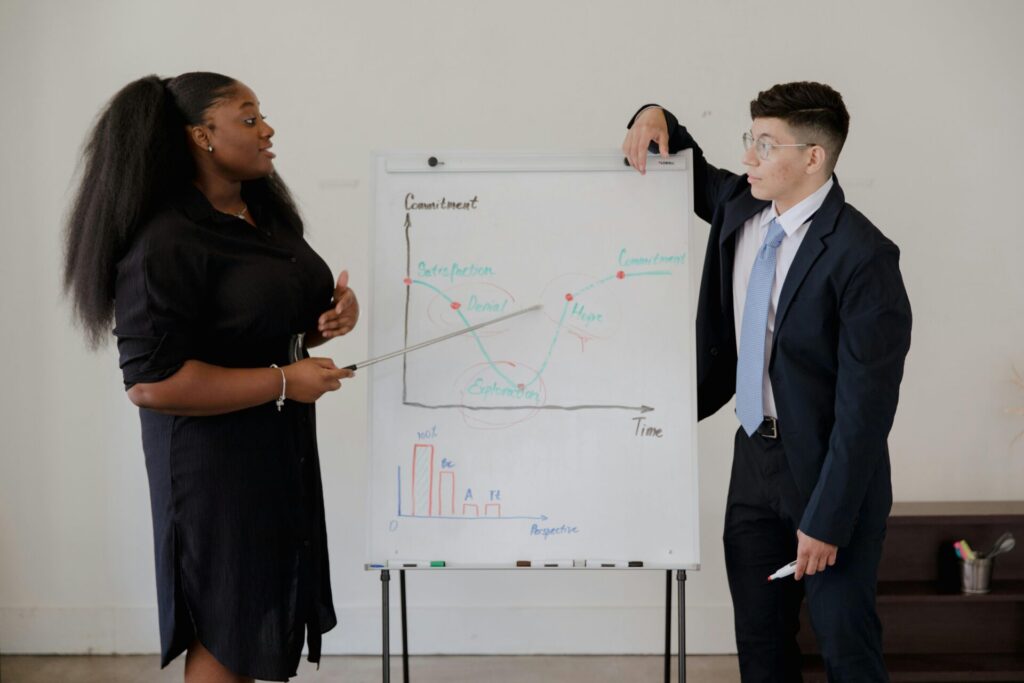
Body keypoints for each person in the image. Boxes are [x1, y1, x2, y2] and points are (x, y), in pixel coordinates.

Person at [63, 72, 359, 683]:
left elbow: (254, 322)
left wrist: (325, 323)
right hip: (212, 469)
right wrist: (284, 380)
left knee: (255, 623)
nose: (267, 129)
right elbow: (151, 384)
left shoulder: (263, 214)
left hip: (277, 451)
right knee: (226, 634)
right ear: (201, 135)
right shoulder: (165, 241)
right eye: (249, 119)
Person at [622, 82, 912, 682]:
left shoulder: (865, 257)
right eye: (749, 139)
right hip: (754, 463)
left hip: (829, 472)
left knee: (845, 648)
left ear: (813, 157)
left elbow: (866, 413)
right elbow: (682, 155)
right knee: (761, 648)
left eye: (765, 144)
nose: (749, 157)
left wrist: (828, 518)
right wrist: (653, 113)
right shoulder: (741, 205)